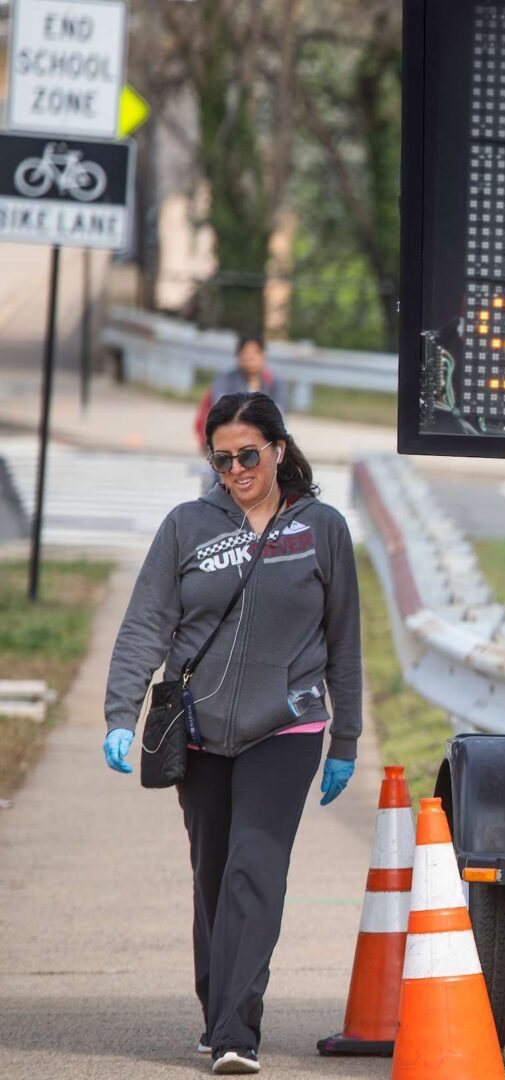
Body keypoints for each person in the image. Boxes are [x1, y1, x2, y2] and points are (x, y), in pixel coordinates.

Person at [102, 392, 361, 1076]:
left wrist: (347, 740)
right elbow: (145, 626)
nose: (237, 469)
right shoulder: (187, 525)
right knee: (212, 871)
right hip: (200, 728)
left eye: (249, 454)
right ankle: (218, 1005)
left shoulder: (322, 528)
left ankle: (235, 1034)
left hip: (289, 725)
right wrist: (120, 715)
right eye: (223, 459)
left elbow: (346, 643)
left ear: (278, 449)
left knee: (254, 866)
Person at [195, 336, 280, 459]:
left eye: (255, 354)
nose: (250, 359)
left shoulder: (273, 383)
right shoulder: (225, 380)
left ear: (263, 356)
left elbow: (279, 413)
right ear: (239, 356)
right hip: (228, 438)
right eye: (246, 354)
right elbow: (219, 410)